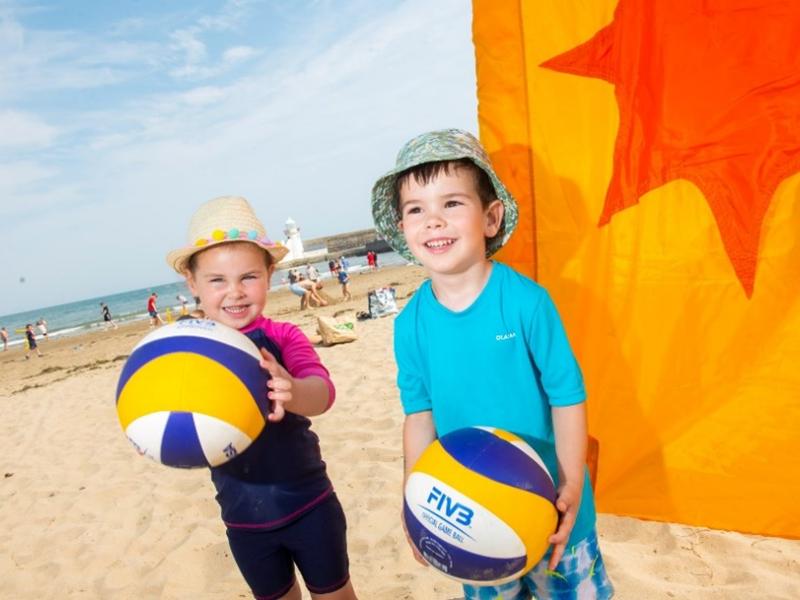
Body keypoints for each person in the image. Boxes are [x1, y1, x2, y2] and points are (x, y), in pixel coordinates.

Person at [370, 129, 613, 600]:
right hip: (471, 518)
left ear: (491, 217)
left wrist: (572, 484)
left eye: (452, 204)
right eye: (416, 209)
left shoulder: (525, 302)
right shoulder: (410, 324)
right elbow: (419, 416)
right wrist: (412, 492)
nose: (433, 221)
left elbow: (568, 397)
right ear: (402, 228)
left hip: (552, 507)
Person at [165, 195, 357, 600]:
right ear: (193, 284)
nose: (234, 292)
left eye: (248, 277)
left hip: (311, 506)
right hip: (243, 522)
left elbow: (322, 394)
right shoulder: (189, 352)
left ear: (270, 274)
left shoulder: (283, 337)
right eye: (217, 280)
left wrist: (292, 388)